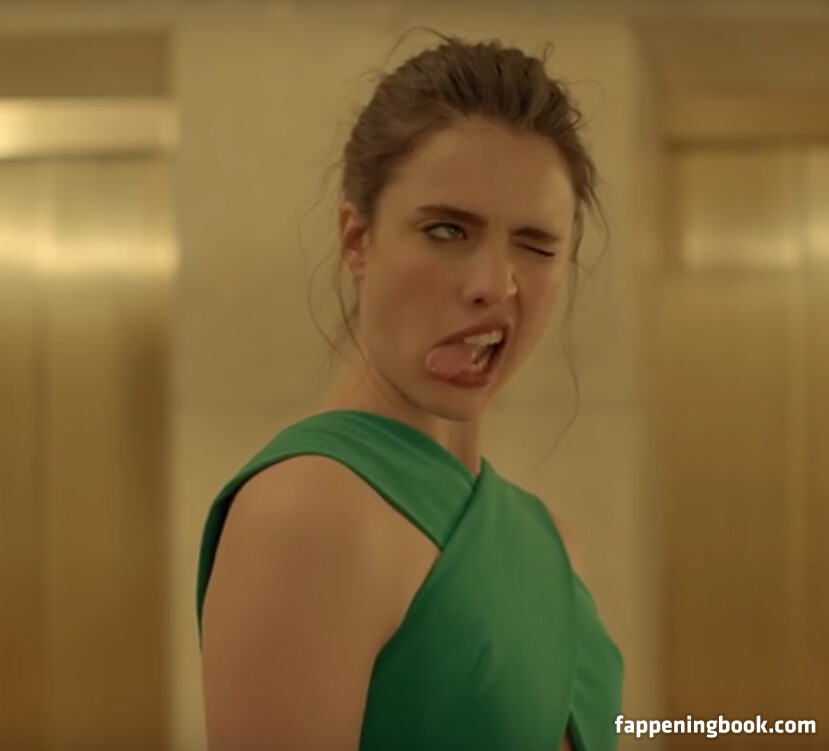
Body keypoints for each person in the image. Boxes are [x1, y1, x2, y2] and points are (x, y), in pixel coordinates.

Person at [196, 33, 623, 751]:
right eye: (447, 230)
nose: (494, 285)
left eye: (535, 245)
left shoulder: (553, 542)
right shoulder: (305, 515)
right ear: (356, 240)